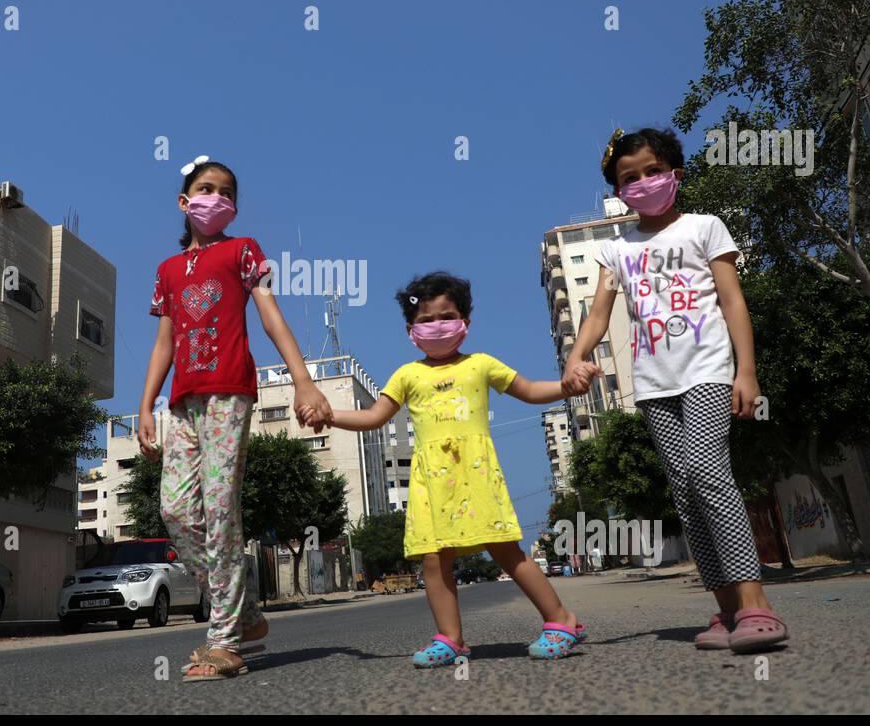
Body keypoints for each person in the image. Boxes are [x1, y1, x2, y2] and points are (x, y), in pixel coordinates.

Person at [566, 127, 788, 654]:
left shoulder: (704, 227)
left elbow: (733, 301)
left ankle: (757, 605)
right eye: (629, 178)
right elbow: (599, 315)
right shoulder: (614, 250)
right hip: (653, 386)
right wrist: (578, 355)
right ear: (618, 192)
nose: (642, 183)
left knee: (710, 474)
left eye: (651, 171)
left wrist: (747, 371)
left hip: (709, 371)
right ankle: (728, 609)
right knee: (686, 491)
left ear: (675, 174)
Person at [303, 271, 598, 664]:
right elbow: (374, 416)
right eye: (426, 320)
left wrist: (567, 387)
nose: (436, 326)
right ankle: (450, 639)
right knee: (433, 559)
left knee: (505, 549)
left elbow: (528, 391)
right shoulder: (408, 375)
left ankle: (561, 620)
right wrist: (330, 418)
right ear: (411, 329)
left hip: (477, 475)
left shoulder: (482, 364)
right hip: (431, 482)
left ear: (465, 323)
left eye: (446, 316)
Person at [140, 155, 333, 680]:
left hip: (229, 394)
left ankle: (224, 640)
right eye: (206, 189)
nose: (216, 198)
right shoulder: (166, 272)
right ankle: (246, 615)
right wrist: (146, 405)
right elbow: (164, 343)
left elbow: (270, 314)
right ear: (185, 202)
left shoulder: (243, 251)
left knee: (222, 512)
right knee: (177, 511)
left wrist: (303, 380)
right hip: (181, 403)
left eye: (226, 192)